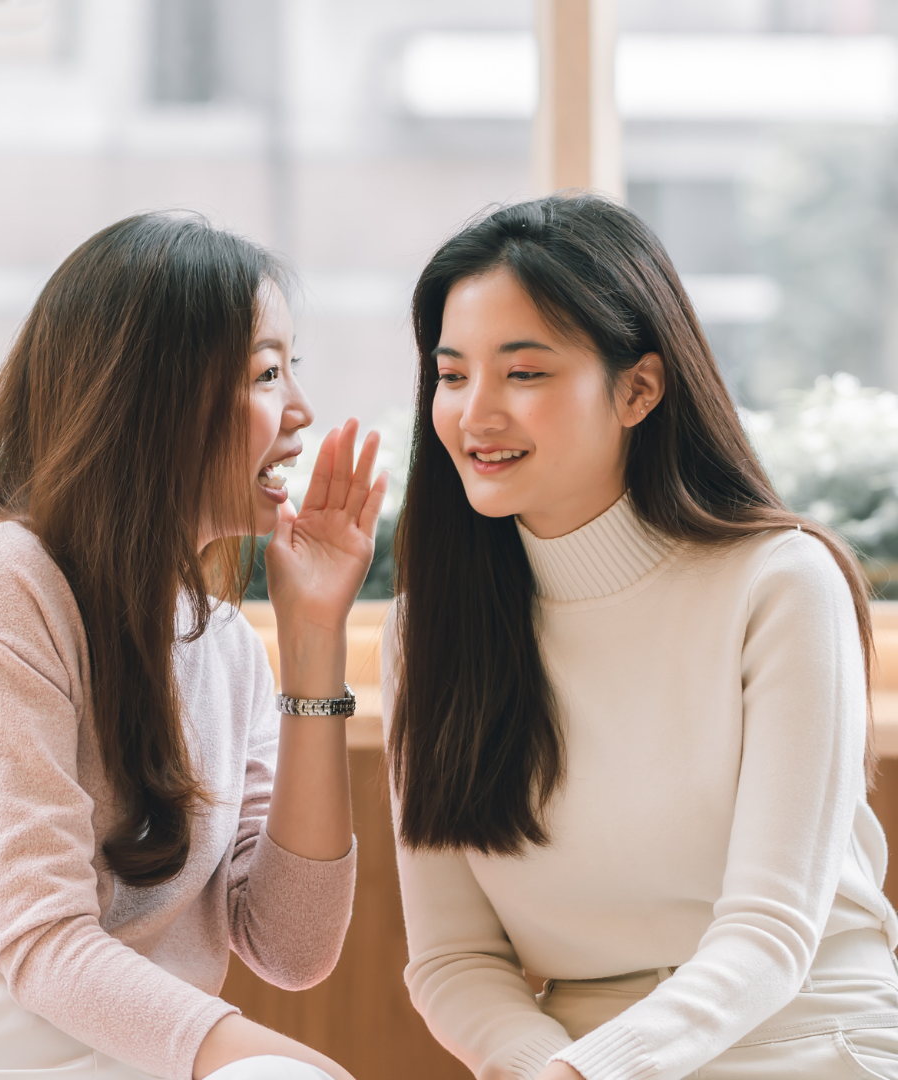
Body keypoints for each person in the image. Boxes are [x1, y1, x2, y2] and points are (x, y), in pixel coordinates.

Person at [0, 213, 387, 1080]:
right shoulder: (6, 585)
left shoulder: (227, 645)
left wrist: (315, 642)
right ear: (154, 398)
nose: (301, 412)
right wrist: (289, 1060)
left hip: (135, 1045)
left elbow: (291, 945)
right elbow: (45, 942)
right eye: (267, 373)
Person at [383, 193, 898, 1080]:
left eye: (526, 373)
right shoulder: (430, 625)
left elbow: (770, 934)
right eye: (453, 374)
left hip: (805, 1038)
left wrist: (591, 1073)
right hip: (571, 1055)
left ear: (640, 388)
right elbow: (452, 960)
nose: (475, 413)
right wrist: (555, 1066)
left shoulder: (781, 584)